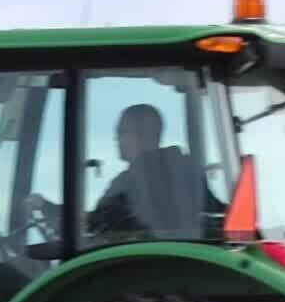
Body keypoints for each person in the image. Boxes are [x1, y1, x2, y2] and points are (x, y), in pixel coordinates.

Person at [89, 101, 211, 241]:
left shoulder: (128, 182)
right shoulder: (188, 172)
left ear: (146, 136)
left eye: (122, 132)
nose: (116, 138)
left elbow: (96, 225)